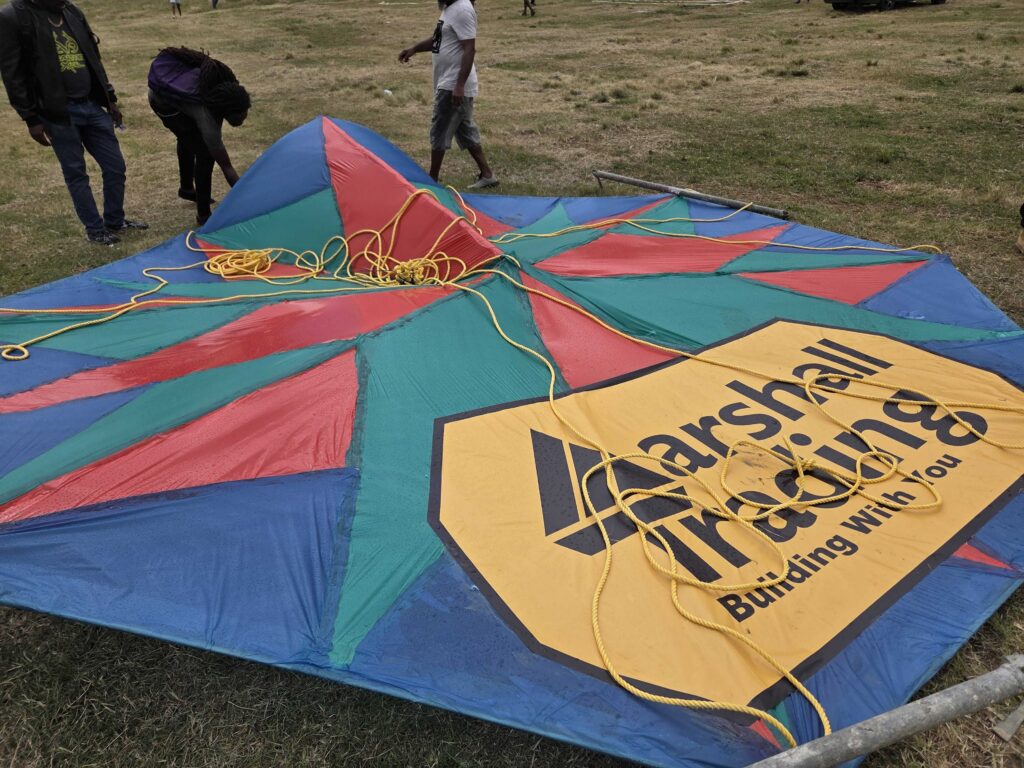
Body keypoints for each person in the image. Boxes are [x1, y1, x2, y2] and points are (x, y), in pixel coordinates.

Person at [0, 0, 147, 245]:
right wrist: (31, 118)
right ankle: (95, 230)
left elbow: (93, 56)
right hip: (58, 113)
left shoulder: (71, 11)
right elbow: (12, 73)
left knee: (115, 167)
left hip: (91, 104)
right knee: (76, 174)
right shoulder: (13, 16)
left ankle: (114, 220)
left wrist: (109, 98)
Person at [399, 0, 498, 188]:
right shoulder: (448, 9)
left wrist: (459, 85)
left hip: (453, 84)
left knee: (440, 130)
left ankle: (431, 181)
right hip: (450, 82)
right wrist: (414, 49)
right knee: (465, 130)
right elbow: (438, 40)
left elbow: (470, 49)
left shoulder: (462, 9)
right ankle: (487, 175)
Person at [147, 47, 250, 225]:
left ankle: (186, 189)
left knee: (189, 139)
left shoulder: (228, 83)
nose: (243, 118)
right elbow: (226, 166)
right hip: (162, 101)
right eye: (239, 115)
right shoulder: (207, 114)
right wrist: (250, 197)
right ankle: (203, 215)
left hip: (184, 95)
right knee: (205, 154)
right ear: (225, 112)